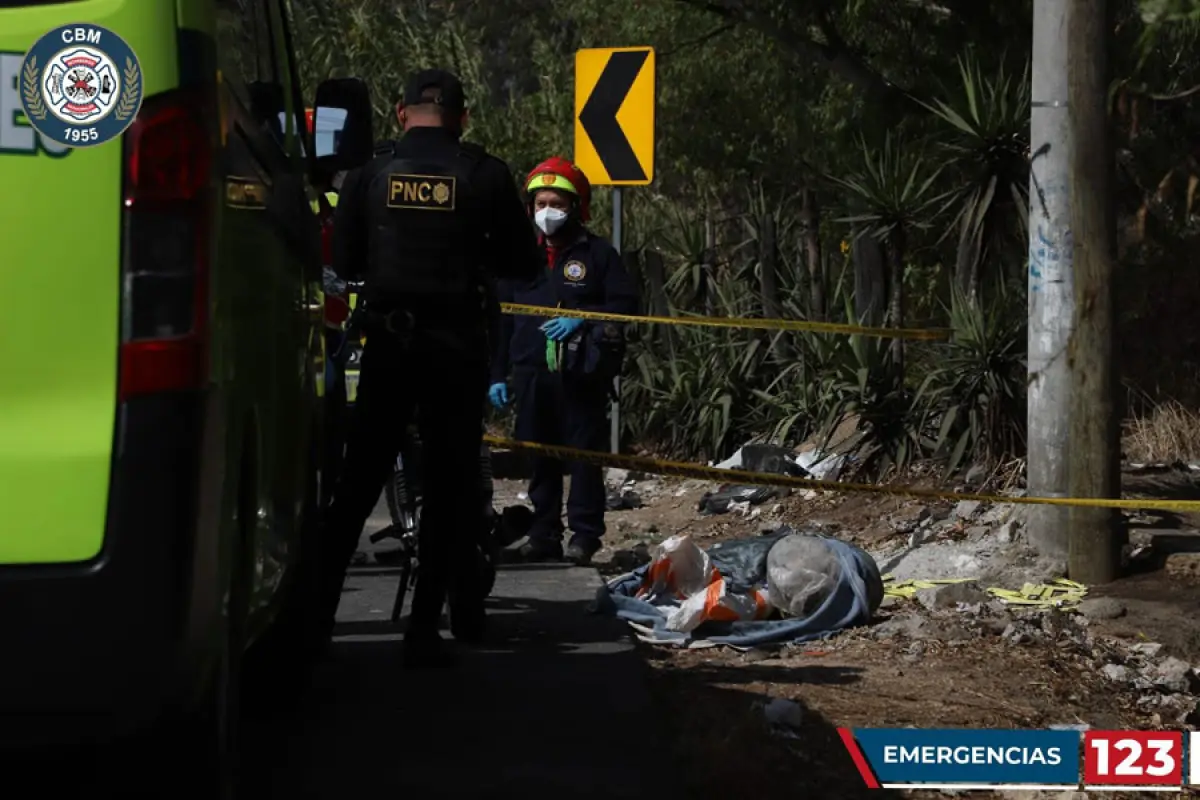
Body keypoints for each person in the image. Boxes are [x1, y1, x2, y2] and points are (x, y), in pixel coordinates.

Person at [319, 68, 541, 668]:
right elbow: (522, 260)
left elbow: (343, 259)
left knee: (356, 485)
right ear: (463, 117)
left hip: (391, 349)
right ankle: (423, 629)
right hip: (457, 352)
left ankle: (315, 622)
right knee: (449, 490)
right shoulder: (484, 174)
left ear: (399, 113)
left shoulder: (369, 172)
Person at [489, 157, 639, 566]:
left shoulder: (598, 255)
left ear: (576, 207)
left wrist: (583, 317)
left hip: (581, 374)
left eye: (556, 203)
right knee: (541, 457)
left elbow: (626, 304)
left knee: (584, 458)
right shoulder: (518, 258)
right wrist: (496, 374)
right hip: (530, 372)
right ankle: (544, 535)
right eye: (540, 203)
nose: (547, 212)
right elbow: (499, 319)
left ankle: (585, 537)